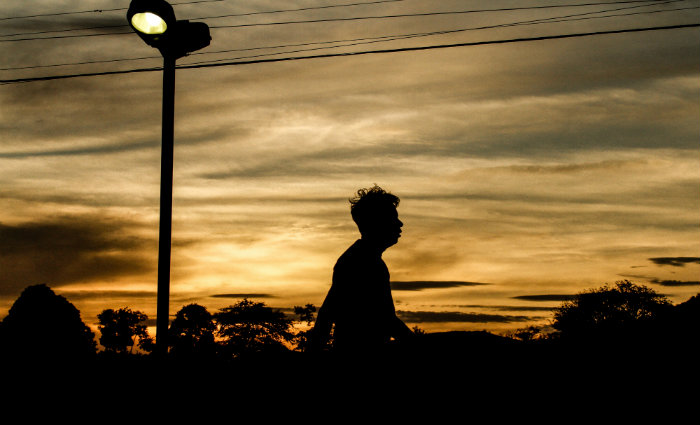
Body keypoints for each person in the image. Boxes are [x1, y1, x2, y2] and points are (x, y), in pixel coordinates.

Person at [310, 185, 415, 355]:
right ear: (377, 222)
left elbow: (327, 312)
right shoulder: (361, 261)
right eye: (392, 218)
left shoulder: (361, 259)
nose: (400, 223)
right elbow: (384, 319)